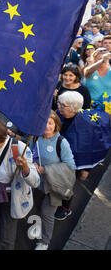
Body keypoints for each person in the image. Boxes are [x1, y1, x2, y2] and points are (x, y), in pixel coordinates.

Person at [0, 119, 39, 250]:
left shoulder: (19, 148)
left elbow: (35, 182)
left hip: (11, 196)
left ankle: (3, 244)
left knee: (7, 235)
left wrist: (25, 168)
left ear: (4, 138)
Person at [55, 91, 111, 220]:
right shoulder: (58, 115)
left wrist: (86, 169)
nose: (59, 106)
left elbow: (92, 149)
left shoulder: (87, 126)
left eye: (63, 105)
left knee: (67, 186)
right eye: (59, 103)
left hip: (75, 162)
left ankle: (65, 207)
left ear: (74, 108)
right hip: (57, 156)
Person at [32, 111, 76, 250]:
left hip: (55, 185)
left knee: (47, 213)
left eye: (50, 123)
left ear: (56, 125)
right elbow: (33, 153)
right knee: (38, 208)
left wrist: (46, 169)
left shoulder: (61, 142)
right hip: (39, 183)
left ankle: (44, 242)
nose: (47, 126)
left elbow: (70, 166)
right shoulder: (36, 138)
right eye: (44, 122)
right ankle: (41, 230)